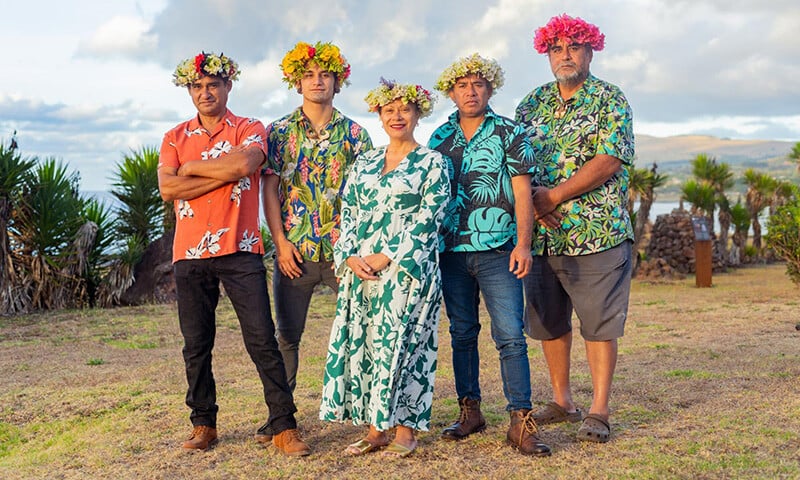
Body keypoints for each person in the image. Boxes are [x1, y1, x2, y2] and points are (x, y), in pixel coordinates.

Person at [158, 51, 310, 456]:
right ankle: (203, 424)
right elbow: (168, 191)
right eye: (197, 86)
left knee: (262, 338)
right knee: (196, 344)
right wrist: (216, 172)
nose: (205, 92)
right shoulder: (174, 137)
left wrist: (190, 169)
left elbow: (245, 165)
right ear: (189, 90)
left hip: (240, 248)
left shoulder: (249, 128)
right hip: (189, 252)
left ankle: (284, 425)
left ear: (228, 86)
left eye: (213, 85)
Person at [515, 14, 635, 443]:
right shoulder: (530, 104)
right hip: (543, 236)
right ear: (547, 53)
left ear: (591, 50)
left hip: (597, 233)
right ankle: (563, 400)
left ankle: (599, 410)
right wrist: (533, 204)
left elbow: (609, 160)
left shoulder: (610, 99)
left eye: (575, 46)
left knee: (599, 323)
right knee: (549, 321)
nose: (565, 55)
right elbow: (517, 166)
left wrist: (555, 196)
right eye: (557, 48)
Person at [428, 53, 551, 457]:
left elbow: (522, 192)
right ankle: (470, 411)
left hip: (500, 250)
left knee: (510, 336)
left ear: (490, 89)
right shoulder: (439, 138)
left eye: (478, 84)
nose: (470, 91)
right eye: (462, 85)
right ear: (451, 92)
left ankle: (521, 421)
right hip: (451, 251)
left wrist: (523, 243)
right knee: (462, 334)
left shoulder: (509, 132)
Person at [319, 79, 449, 458]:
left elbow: (430, 215)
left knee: (408, 346)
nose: (396, 116)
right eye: (388, 109)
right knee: (371, 346)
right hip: (363, 274)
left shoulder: (433, 162)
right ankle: (376, 428)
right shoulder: (366, 162)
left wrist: (388, 255)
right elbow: (350, 213)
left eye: (404, 109)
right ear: (378, 114)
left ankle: (406, 432)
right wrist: (350, 256)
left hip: (408, 271)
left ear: (417, 114)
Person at [261, 41, 373, 401]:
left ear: (338, 82)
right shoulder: (278, 132)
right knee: (287, 336)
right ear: (297, 83)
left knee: (363, 328)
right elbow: (270, 187)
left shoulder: (357, 135)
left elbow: (367, 196)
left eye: (325, 75)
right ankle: (281, 415)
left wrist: (356, 247)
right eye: (309, 75)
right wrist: (280, 243)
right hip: (296, 252)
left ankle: (368, 408)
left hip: (345, 253)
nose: (317, 82)